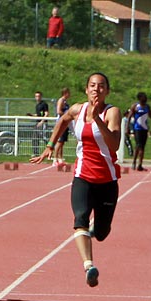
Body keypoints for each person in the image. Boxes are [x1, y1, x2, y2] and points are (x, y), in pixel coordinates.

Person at [30, 72, 122, 288]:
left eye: (101, 86)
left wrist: (97, 118)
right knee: (80, 219)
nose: (96, 89)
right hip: (83, 176)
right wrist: (50, 146)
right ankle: (89, 267)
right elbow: (62, 120)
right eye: (92, 85)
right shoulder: (77, 110)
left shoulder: (112, 112)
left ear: (107, 91)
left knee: (101, 233)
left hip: (107, 181)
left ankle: (96, 230)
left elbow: (114, 144)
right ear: (86, 89)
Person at [51, 87, 72, 166]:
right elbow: (59, 111)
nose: (70, 94)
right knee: (59, 141)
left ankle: (60, 158)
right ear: (65, 93)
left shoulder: (65, 101)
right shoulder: (61, 100)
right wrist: (67, 115)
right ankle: (55, 158)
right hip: (61, 122)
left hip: (66, 123)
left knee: (62, 142)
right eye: (68, 93)